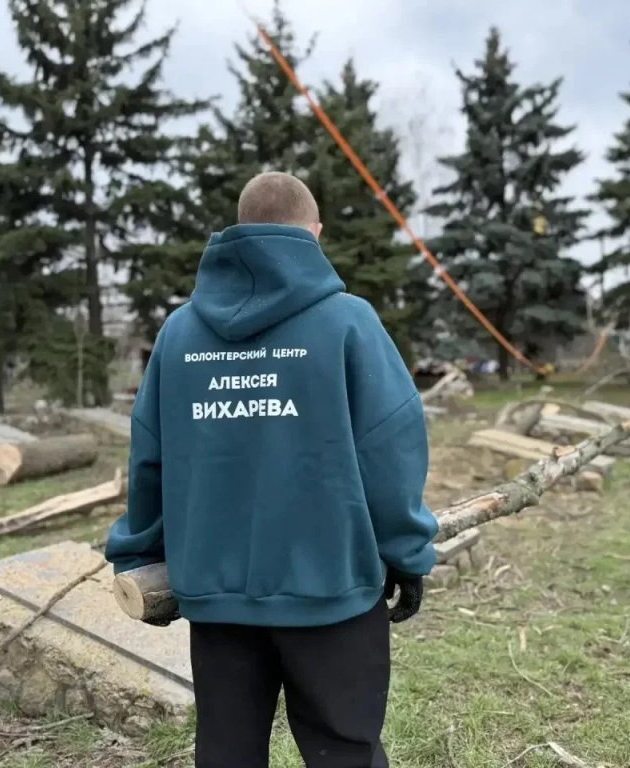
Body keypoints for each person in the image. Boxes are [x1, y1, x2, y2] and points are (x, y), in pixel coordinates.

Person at [105, 171, 439, 767]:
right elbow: (391, 449)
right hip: (330, 590)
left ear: (239, 231)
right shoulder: (348, 322)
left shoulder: (180, 333)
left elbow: (149, 454)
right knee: (346, 753)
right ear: (315, 233)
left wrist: (140, 552)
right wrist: (407, 554)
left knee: (227, 754)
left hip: (217, 596)